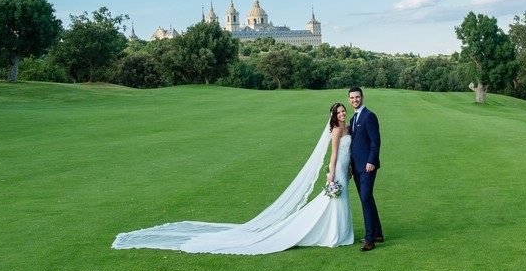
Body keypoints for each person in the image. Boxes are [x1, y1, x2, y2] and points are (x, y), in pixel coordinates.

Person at [111, 103, 353, 255]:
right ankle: (331, 235)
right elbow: (332, 156)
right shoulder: (336, 131)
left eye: (343, 111)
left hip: (346, 169)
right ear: (334, 115)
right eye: (339, 112)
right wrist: (331, 174)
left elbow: (348, 152)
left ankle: (338, 233)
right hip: (337, 170)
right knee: (332, 202)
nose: (342, 114)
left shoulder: (348, 128)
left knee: (337, 203)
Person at [348, 86, 383, 252]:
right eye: (352, 98)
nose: (355, 100)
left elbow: (376, 141)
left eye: (357, 97)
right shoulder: (353, 119)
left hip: (368, 167)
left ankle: (370, 240)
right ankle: (377, 233)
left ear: (362, 97)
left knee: (364, 199)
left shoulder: (369, 116)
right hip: (357, 168)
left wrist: (371, 160)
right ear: (349, 100)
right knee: (368, 199)